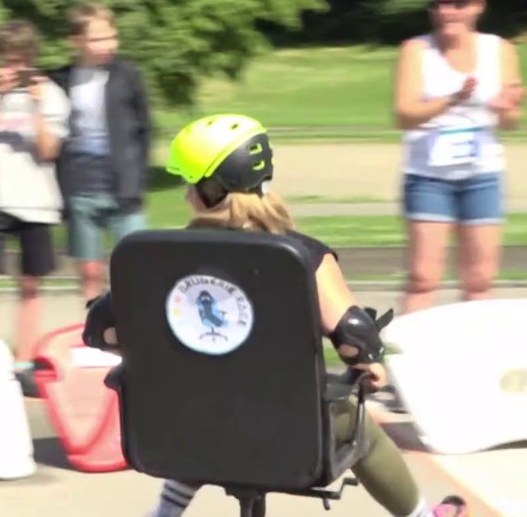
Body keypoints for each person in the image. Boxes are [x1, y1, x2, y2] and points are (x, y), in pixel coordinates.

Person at [83, 114, 470, 517]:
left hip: (179, 429)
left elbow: (101, 332)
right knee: (360, 428)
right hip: (285, 434)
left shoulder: (154, 260)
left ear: (209, 190)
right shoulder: (299, 256)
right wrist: (369, 366)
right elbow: (354, 337)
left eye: (190, 184)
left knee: (198, 405)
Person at [393, 0, 522, 314]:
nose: (447, 11)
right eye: (438, 4)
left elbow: (509, 123)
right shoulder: (417, 50)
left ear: (478, 7)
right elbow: (403, 116)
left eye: (457, 3)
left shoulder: (500, 49)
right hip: (428, 175)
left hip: (482, 174)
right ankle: (405, 361)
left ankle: (479, 359)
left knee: (480, 281)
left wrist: (505, 109)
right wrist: (452, 99)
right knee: (423, 278)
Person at [0, 19, 71, 383]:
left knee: (30, 285)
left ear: (31, 60)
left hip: (36, 201)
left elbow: (49, 149)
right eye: (7, 61)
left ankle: (24, 362)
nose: (14, 69)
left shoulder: (51, 94)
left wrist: (36, 108)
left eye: (21, 62)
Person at [47, 2, 153, 304]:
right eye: (98, 39)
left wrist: (138, 178)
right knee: (90, 270)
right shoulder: (61, 80)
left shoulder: (127, 75)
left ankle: (139, 332)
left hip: (123, 185)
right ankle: (94, 332)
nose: (108, 45)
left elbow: (145, 129)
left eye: (112, 37)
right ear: (76, 41)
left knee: (136, 265)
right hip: (80, 184)